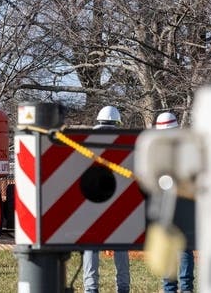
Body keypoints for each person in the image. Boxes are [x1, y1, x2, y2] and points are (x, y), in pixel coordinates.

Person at [82, 105, 130, 293]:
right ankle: (123, 288)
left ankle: (91, 288)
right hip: (116, 204)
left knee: (91, 248)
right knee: (120, 247)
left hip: (92, 202)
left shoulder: (87, 143)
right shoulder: (123, 144)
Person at [155, 112, 195, 293]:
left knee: (168, 244)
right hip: (184, 198)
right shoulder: (186, 146)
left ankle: (169, 288)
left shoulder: (155, 147)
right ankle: (186, 288)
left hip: (163, 200)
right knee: (185, 246)